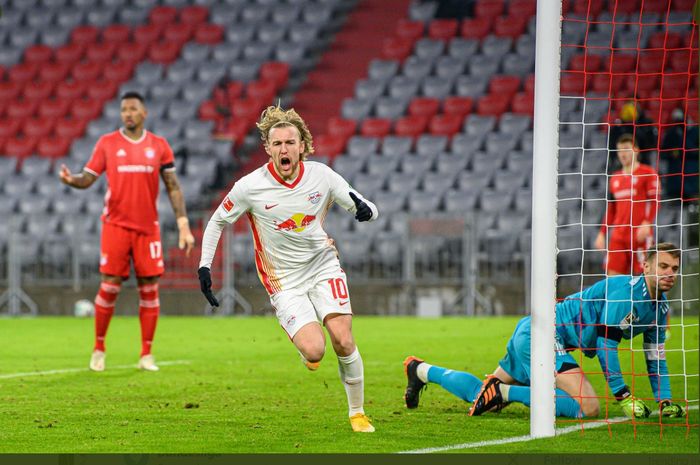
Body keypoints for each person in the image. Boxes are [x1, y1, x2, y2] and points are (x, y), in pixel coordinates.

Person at [197, 105, 379, 433]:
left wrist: (366, 211)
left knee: (343, 339)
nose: (284, 149)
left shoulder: (322, 176)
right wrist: (204, 267)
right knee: (315, 350)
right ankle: (301, 340)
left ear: (302, 146)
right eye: (277, 143)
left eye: (290, 143)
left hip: (323, 266)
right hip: (284, 280)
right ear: (268, 148)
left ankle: (357, 413)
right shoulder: (250, 186)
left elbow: (364, 205)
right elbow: (216, 222)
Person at [403, 243, 687, 420]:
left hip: (535, 331)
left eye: (674, 268)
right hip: (545, 333)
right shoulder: (625, 292)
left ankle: (420, 370)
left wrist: (664, 400)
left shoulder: (660, 311)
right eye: (662, 266)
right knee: (588, 406)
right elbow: (605, 346)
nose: (668, 273)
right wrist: (623, 395)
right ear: (645, 265)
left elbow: (655, 358)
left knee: (481, 393)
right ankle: (503, 392)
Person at [59, 91, 195, 372]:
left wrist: (183, 224)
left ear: (144, 113)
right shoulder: (108, 143)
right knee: (109, 286)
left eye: (133, 109)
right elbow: (88, 178)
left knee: (149, 289)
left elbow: (173, 186)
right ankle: (99, 349)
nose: (128, 114)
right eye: (124, 110)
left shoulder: (159, 146)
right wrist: (71, 180)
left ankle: (146, 354)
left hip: (148, 229)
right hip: (116, 226)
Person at [594, 134, 659, 275]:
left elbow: (655, 201)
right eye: (619, 150)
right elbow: (611, 209)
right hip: (618, 236)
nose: (622, 154)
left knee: (644, 277)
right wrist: (602, 233)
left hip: (639, 234)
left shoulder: (648, 173)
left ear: (636, 150)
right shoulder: (614, 178)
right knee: (612, 277)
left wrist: (647, 223)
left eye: (626, 149)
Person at [608, 101, 657, 168]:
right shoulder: (618, 127)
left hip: (643, 160)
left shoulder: (647, 123)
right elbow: (611, 144)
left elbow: (651, 143)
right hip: (622, 163)